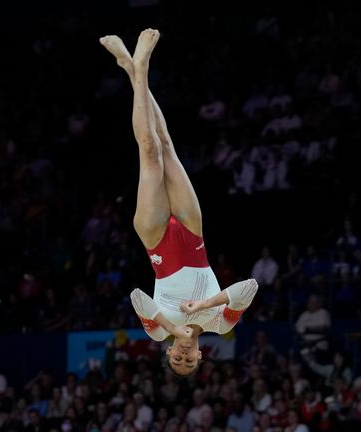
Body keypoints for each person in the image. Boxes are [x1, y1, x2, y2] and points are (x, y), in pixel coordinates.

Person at [100, 31, 259, 378]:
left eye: (177, 359)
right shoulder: (219, 323)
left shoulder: (158, 331)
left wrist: (174, 328)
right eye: (190, 361)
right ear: (201, 357)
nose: (184, 355)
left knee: (150, 153)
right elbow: (250, 288)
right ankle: (132, 70)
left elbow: (137, 296)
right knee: (168, 146)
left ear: (170, 352)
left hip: (155, 238)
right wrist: (203, 305)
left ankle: (138, 68)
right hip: (192, 231)